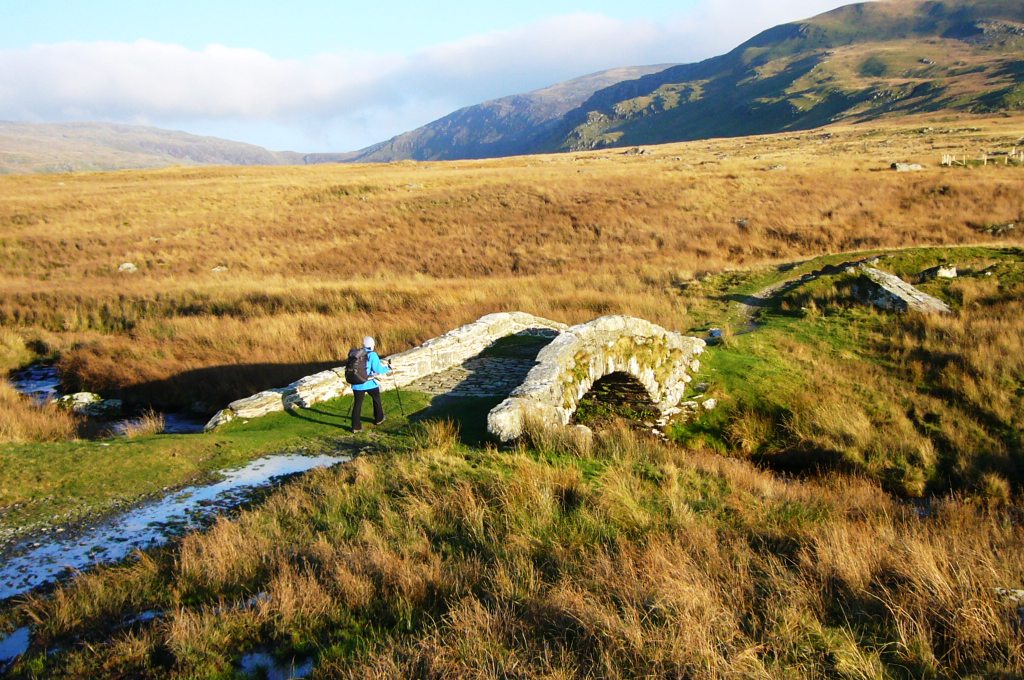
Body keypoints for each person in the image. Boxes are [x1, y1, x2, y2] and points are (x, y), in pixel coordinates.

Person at [351, 336, 390, 432]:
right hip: (369, 382)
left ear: (363, 344)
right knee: (376, 398)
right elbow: (378, 370)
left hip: (357, 383)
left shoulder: (356, 353)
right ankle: (379, 418)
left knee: (357, 404)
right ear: (372, 345)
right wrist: (388, 368)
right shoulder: (372, 355)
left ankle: (356, 427)